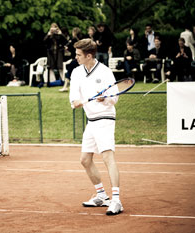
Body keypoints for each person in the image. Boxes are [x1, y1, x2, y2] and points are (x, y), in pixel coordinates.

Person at [69, 38, 123, 216]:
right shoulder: (76, 72)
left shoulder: (106, 72)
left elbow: (114, 98)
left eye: (78, 55)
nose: (75, 57)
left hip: (105, 118)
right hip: (91, 120)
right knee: (85, 160)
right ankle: (102, 195)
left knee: (108, 157)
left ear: (89, 55)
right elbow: (74, 98)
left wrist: (105, 98)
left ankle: (116, 201)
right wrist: (75, 102)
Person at [60, 27, 83, 92]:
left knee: (69, 72)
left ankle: (65, 86)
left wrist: (67, 48)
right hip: (81, 59)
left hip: (75, 59)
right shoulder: (81, 40)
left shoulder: (73, 40)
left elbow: (71, 49)